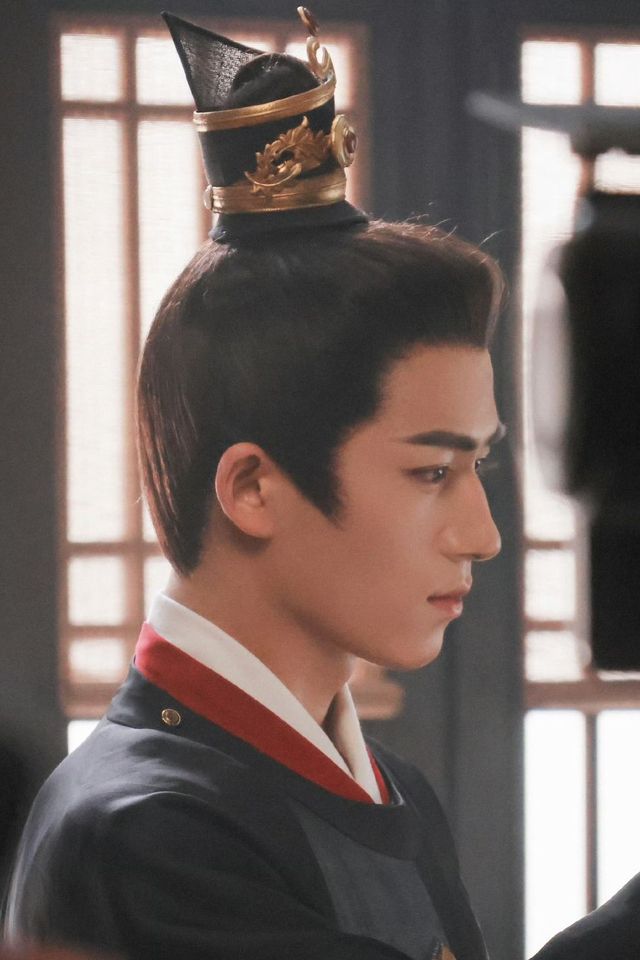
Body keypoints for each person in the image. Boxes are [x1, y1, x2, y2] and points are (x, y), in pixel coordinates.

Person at [5, 8, 639, 960]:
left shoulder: (380, 784)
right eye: (431, 471)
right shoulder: (148, 832)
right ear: (254, 488)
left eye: (478, 464)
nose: (482, 535)